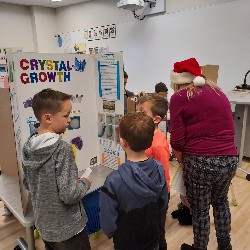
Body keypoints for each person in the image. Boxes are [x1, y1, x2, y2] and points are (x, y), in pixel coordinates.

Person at [169, 58, 238, 250]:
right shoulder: (218, 92)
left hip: (200, 161)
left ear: (177, 80)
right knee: (221, 202)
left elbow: (177, 139)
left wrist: (183, 162)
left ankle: (200, 247)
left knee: (200, 211)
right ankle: (225, 246)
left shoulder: (180, 97)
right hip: (229, 159)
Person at [22, 88, 92, 250]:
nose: (69, 120)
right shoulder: (62, 149)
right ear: (48, 118)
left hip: (45, 226)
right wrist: (85, 183)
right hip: (68, 230)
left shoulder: (28, 146)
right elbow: (69, 194)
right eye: (66, 115)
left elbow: (28, 183)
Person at [100, 112, 168, 250]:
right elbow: (163, 201)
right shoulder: (159, 168)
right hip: (152, 234)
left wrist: (112, 232)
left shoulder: (113, 180)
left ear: (123, 142)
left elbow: (108, 220)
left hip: (126, 239)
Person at [137, 95, 170, 250]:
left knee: (156, 232)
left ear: (156, 119)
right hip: (145, 193)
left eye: (142, 112)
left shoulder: (158, 146)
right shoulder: (145, 137)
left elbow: (161, 178)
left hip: (156, 196)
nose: (137, 115)